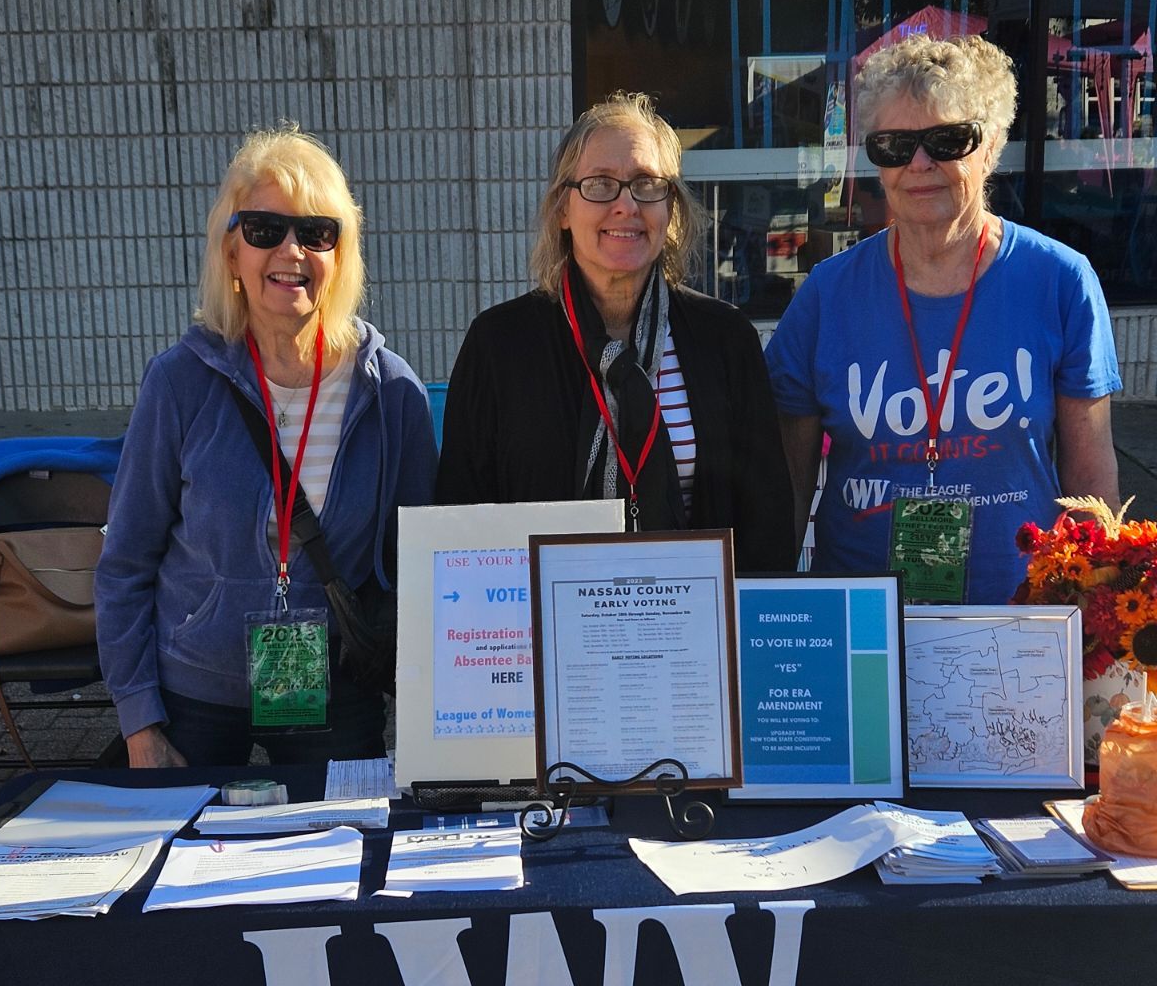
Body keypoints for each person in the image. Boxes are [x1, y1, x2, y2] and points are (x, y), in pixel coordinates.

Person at [96, 126, 436, 767]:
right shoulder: (179, 382)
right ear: (231, 253)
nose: (292, 250)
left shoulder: (393, 395)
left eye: (316, 232)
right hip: (192, 694)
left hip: (333, 695)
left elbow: (417, 570)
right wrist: (139, 721)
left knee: (339, 860)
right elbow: (126, 563)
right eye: (264, 230)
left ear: (341, 254)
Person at [767, 34, 1122, 603]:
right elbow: (784, 486)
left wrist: (1100, 609)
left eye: (948, 139)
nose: (920, 164)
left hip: (1019, 616)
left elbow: (1090, 474)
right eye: (894, 145)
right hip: (862, 622)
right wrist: (776, 616)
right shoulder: (826, 296)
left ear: (992, 146)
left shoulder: (1059, 281)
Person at [435, 93, 796, 574]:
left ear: (670, 209)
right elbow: (460, 518)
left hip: (693, 635)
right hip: (542, 636)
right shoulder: (499, 346)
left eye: (647, 185)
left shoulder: (725, 340)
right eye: (601, 185)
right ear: (563, 208)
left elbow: (765, 523)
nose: (626, 205)